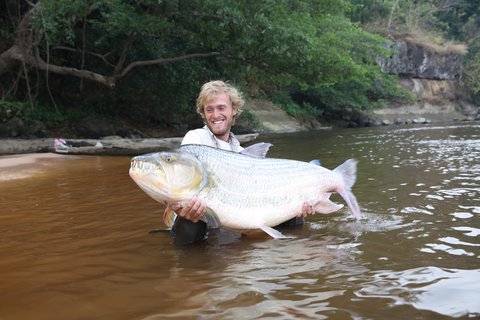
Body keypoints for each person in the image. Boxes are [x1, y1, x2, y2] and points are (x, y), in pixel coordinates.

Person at [167, 80, 314, 245]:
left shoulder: (240, 151)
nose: (215, 115)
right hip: (194, 223)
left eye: (221, 108)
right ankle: (189, 265)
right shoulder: (194, 139)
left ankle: (287, 256)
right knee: (192, 221)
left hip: (227, 224)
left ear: (234, 110)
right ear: (204, 113)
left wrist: (296, 203)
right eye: (209, 109)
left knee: (294, 217)